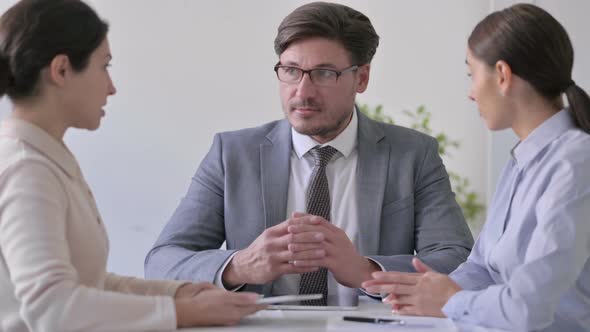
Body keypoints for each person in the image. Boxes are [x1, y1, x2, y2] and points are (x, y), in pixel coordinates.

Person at [145, 1, 473, 305]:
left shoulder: (413, 154)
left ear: (361, 77)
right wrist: (241, 266)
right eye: (290, 71)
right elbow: (162, 262)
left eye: (324, 73)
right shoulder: (232, 154)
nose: (302, 91)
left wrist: (366, 270)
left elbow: (457, 261)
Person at [0, 1, 265, 331]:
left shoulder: (46, 158)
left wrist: (178, 292)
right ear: (62, 70)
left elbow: (90, 284)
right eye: (104, 66)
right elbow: (53, 307)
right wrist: (185, 313)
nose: (111, 87)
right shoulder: (27, 170)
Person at [362, 3, 590, 331]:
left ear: (502, 75)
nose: (470, 94)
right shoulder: (520, 163)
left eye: (472, 75)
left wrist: (451, 301)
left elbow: (527, 308)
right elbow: (482, 267)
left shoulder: (576, 163)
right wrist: (424, 291)